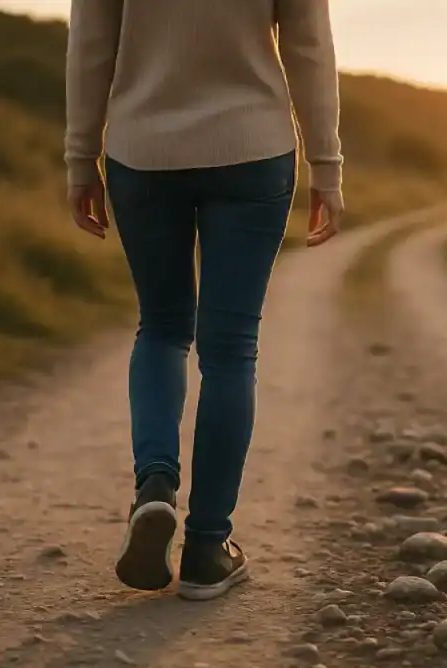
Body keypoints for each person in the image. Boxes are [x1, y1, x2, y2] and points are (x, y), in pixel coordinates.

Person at [64, 0, 343, 600]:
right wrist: (328, 164)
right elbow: (308, 44)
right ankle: (207, 548)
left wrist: (79, 155)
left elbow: (91, 40)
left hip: (141, 151)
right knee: (230, 350)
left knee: (162, 328)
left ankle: (156, 485)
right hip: (254, 149)